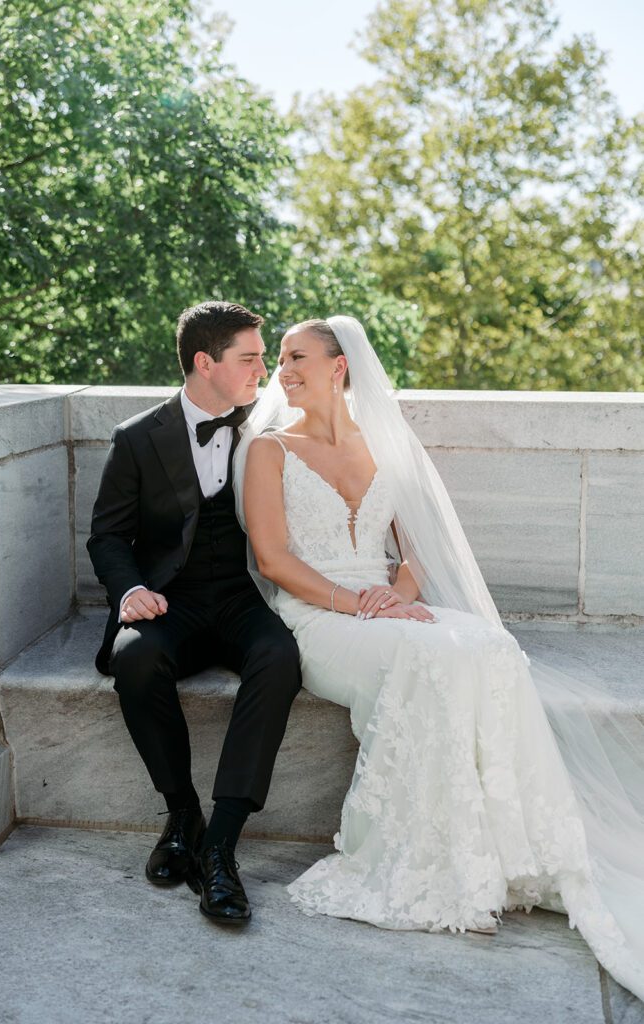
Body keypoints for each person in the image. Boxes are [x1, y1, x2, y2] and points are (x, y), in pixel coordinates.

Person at [235, 315, 644, 999]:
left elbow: (416, 549)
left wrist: (395, 594)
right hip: (316, 618)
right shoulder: (269, 451)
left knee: (487, 646)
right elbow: (273, 560)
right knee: (433, 660)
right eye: (279, 360)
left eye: (297, 357)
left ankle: (507, 850)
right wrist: (352, 601)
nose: (283, 371)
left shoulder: (382, 445)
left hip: (382, 610)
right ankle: (426, 864)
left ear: (340, 367)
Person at [87, 301, 301, 925]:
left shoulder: (268, 426)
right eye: (251, 358)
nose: (264, 369)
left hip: (241, 597)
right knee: (135, 656)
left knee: (280, 656)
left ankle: (219, 848)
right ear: (205, 363)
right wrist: (130, 594)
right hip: (169, 601)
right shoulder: (137, 437)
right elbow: (106, 537)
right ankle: (181, 813)